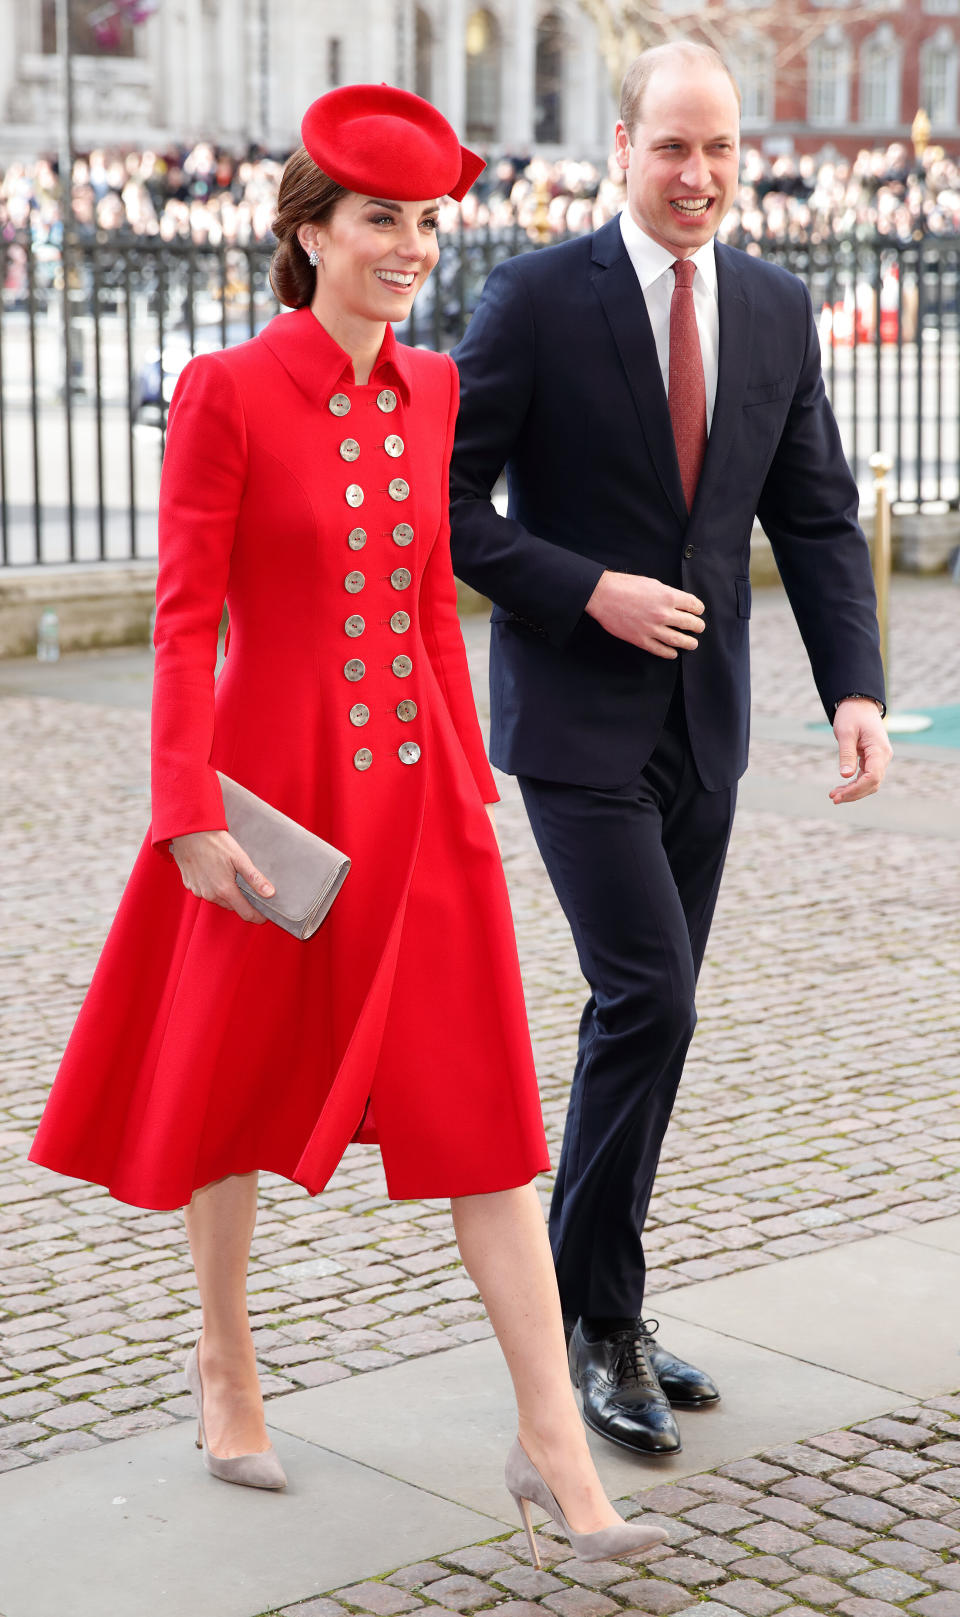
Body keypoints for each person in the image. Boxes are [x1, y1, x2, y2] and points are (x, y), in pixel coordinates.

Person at [28, 84, 667, 1562]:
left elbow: (436, 603)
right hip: (267, 803)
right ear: (308, 232)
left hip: (419, 809)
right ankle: (226, 1362)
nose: (413, 245)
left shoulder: (436, 391)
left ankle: (554, 1448)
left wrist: (465, 779)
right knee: (229, 1096)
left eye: (428, 220)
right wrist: (184, 812)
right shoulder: (227, 393)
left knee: (491, 1123)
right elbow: (185, 628)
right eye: (381, 217)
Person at [449, 43, 892, 1458]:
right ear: (621, 144)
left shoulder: (775, 306)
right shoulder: (532, 298)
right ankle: (589, 1322)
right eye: (671, 149)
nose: (698, 178)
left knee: (652, 1012)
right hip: (573, 720)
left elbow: (815, 515)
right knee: (650, 998)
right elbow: (447, 505)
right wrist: (586, 586)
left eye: (721, 151)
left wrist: (857, 691)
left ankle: (608, 1298)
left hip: (709, 729)